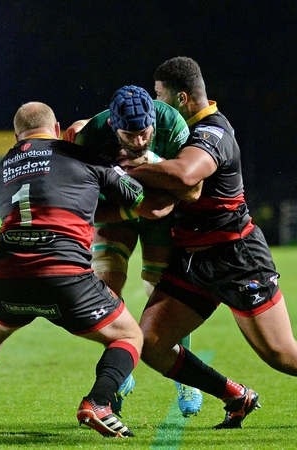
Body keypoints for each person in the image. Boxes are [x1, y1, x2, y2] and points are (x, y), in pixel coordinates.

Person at [124, 56, 297, 430]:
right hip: (194, 260)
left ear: (182, 98)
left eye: (159, 96)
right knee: (151, 342)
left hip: (236, 258)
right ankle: (235, 395)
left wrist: (125, 169)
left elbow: (187, 174)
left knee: (283, 355)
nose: (154, 106)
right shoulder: (176, 133)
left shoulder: (212, 132)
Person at [0, 102, 178, 438]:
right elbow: (147, 204)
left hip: (8, 274)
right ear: (57, 129)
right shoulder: (82, 155)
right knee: (130, 335)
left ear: (17, 136)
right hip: (64, 275)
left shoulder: (5, 165)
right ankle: (99, 402)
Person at [68, 85, 204, 417]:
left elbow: (192, 189)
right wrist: (130, 207)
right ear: (113, 126)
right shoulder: (91, 137)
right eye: (130, 135)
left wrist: (149, 165)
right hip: (117, 213)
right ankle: (120, 364)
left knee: (163, 295)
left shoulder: (171, 123)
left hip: (162, 213)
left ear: (154, 122)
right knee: (105, 288)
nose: (140, 141)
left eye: (145, 133)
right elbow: (83, 205)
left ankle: (185, 376)